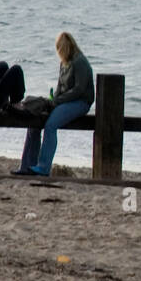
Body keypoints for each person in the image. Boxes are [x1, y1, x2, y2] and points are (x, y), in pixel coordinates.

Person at [12, 31, 94, 176]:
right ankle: (27, 166)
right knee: (34, 121)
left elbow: (79, 90)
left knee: (51, 125)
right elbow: (59, 88)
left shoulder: (80, 62)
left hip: (80, 103)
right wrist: (52, 101)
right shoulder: (64, 62)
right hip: (63, 101)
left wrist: (58, 101)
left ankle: (43, 167)